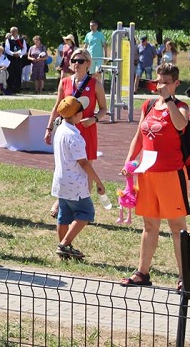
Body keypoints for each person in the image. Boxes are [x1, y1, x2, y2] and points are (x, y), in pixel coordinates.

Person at [120, 63, 190, 288]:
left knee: (177, 227)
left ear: (176, 83)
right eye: (159, 81)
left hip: (171, 174)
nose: (161, 86)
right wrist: (129, 161)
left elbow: (181, 125)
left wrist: (168, 99)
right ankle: (142, 273)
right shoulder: (148, 105)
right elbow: (139, 136)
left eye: (166, 83)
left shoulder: (181, 107)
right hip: (148, 174)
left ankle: (185, 277)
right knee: (149, 225)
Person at [52, 96, 107, 261]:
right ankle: (64, 244)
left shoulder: (60, 129)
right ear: (76, 116)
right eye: (81, 111)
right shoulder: (74, 136)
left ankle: (64, 249)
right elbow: (83, 162)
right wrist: (98, 181)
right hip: (75, 183)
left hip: (61, 181)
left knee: (64, 215)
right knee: (86, 212)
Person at [45, 48, 107, 159]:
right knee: (66, 163)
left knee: (86, 165)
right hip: (67, 129)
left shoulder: (96, 84)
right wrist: (49, 129)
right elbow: (57, 107)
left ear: (88, 63)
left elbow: (103, 109)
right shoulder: (64, 82)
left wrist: (94, 119)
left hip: (87, 128)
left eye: (80, 61)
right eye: (74, 61)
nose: (76, 64)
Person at [4, 27, 28, 94]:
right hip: (11, 59)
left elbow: (24, 49)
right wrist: (13, 54)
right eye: (11, 32)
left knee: (18, 73)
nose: (12, 33)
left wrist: (20, 54)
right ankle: (10, 88)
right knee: (11, 73)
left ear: (17, 32)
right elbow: (7, 49)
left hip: (19, 59)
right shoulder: (8, 40)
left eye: (13, 31)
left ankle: (17, 88)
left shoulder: (21, 40)